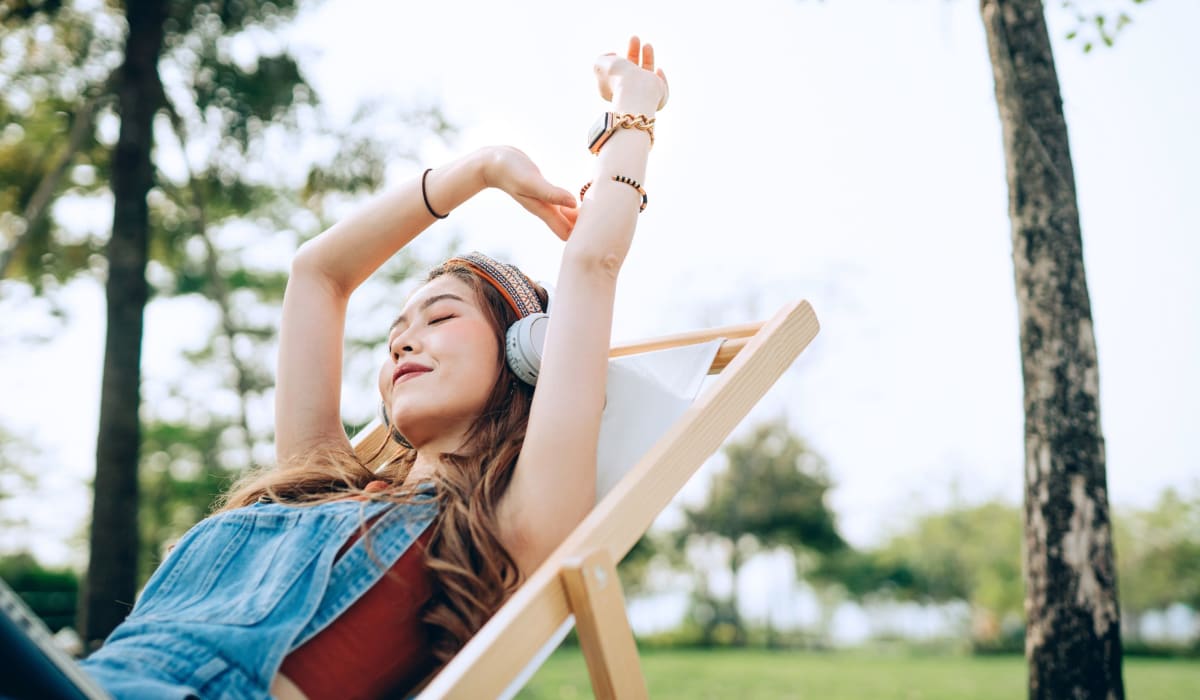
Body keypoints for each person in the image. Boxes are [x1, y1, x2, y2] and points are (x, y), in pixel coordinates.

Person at [76, 36, 669, 699]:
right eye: (395, 336)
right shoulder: (319, 478)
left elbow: (592, 263)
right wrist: (482, 168)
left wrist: (636, 110)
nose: (404, 343)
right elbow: (317, 273)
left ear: (526, 350)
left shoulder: (506, 527)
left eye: (440, 319)